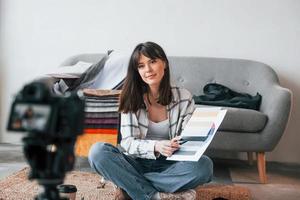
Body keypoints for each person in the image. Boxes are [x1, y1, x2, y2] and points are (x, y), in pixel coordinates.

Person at [88, 42, 213, 200]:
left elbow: (189, 142)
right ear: (137, 70)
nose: (148, 70)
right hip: (136, 163)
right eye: (141, 65)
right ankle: (154, 196)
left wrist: (184, 142)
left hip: (171, 165)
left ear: (164, 63)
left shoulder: (184, 97)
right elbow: (127, 143)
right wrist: (156, 146)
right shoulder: (130, 97)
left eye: (152, 62)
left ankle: (130, 186)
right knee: (97, 152)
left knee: (204, 166)